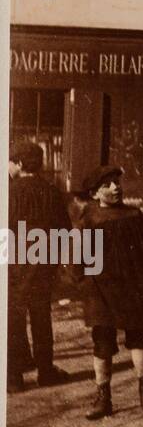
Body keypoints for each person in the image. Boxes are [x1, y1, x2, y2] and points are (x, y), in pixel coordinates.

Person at [77, 165, 143, 420]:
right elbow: (78, 258)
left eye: (117, 183)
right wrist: (83, 282)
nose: (116, 188)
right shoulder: (88, 219)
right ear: (94, 193)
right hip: (100, 290)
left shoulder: (134, 215)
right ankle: (103, 396)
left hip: (133, 288)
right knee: (102, 342)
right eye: (108, 185)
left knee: (139, 335)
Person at [7, 142, 69, 392]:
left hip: (13, 266)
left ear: (20, 164)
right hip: (42, 264)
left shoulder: (9, 192)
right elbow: (64, 230)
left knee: (12, 319)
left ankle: (13, 378)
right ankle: (46, 371)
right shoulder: (52, 192)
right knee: (42, 317)